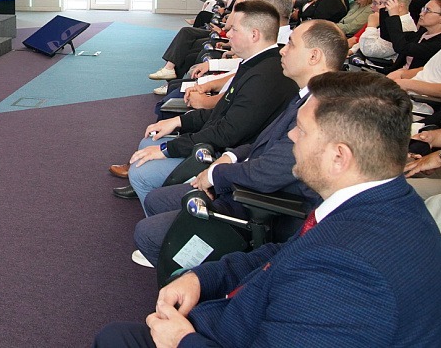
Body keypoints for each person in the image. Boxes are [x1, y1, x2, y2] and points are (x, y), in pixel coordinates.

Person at [94, 71, 441, 348]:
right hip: (250, 313)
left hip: (233, 332)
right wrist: (203, 277)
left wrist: (182, 342)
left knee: (115, 339)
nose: (291, 138)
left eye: (302, 131)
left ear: (339, 157)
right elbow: (289, 254)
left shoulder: (347, 272)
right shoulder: (386, 204)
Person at [132, 20, 347, 268]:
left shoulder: (322, 109)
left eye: (291, 44)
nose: (283, 50)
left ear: (314, 56)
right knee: (157, 201)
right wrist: (232, 157)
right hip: (248, 182)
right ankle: (178, 260)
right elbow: (263, 141)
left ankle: (192, 273)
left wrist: (215, 175)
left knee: (147, 234)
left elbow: (270, 171)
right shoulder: (305, 95)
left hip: (265, 206)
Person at [113, 1, 299, 209]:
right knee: (147, 142)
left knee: (140, 174)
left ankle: (168, 213)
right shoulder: (256, 64)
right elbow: (221, 112)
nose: (228, 34)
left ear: (254, 35)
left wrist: (167, 149)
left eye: (234, 30)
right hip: (218, 143)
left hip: (223, 155)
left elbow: (227, 134)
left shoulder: (263, 77)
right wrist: (179, 121)